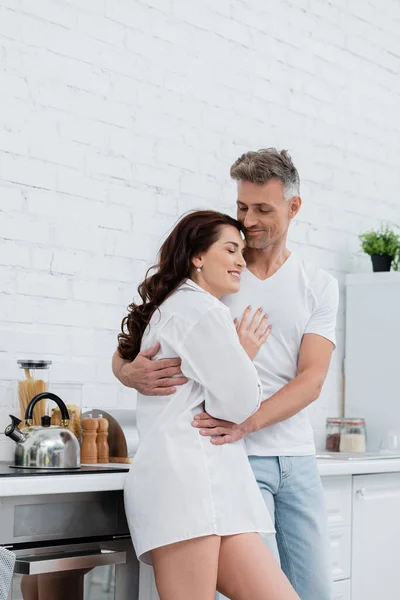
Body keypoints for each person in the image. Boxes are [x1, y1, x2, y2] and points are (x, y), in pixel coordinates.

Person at [113, 149, 339, 600]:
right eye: (241, 207)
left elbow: (311, 379)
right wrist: (127, 372)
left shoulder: (314, 283)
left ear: (293, 208)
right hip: (227, 460)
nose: (248, 220)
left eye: (261, 209)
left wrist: (245, 421)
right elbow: (136, 348)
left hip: (290, 455)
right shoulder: (214, 281)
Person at [118, 210, 300, 600]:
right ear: (197, 257)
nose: (241, 261)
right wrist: (243, 351)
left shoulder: (183, 307)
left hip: (213, 490)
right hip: (188, 489)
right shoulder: (200, 310)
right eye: (231, 250)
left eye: (242, 251)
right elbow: (239, 404)